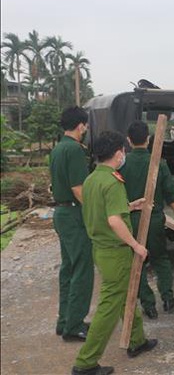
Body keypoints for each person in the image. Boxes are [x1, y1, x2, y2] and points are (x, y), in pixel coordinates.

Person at [72, 131, 157, 375]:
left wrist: (129, 206)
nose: (124, 155)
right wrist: (136, 245)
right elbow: (113, 221)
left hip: (102, 250)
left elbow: (104, 211)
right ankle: (85, 363)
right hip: (116, 252)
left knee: (124, 295)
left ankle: (136, 340)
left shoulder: (92, 180)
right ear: (118, 153)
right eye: (123, 151)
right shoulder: (112, 181)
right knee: (109, 306)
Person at [120, 121, 174, 319]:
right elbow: (171, 194)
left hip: (130, 220)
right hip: (154, 220)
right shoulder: (158, 163)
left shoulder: (122, 165)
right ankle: (168, 299)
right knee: (161, 259)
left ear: (128, 140)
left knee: (138, 262)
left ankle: (148, 305)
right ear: (148, 139)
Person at [49, 106, 94, 342]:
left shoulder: (57, 149)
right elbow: (79, 189)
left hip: (60, 213)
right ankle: (74, 325)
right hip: (74, 215)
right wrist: (95, 212)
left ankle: (64, 320)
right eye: (85, 126)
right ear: (80, 126)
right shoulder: (75, 150)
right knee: (82, 269)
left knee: (68, 269)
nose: (85, 129)